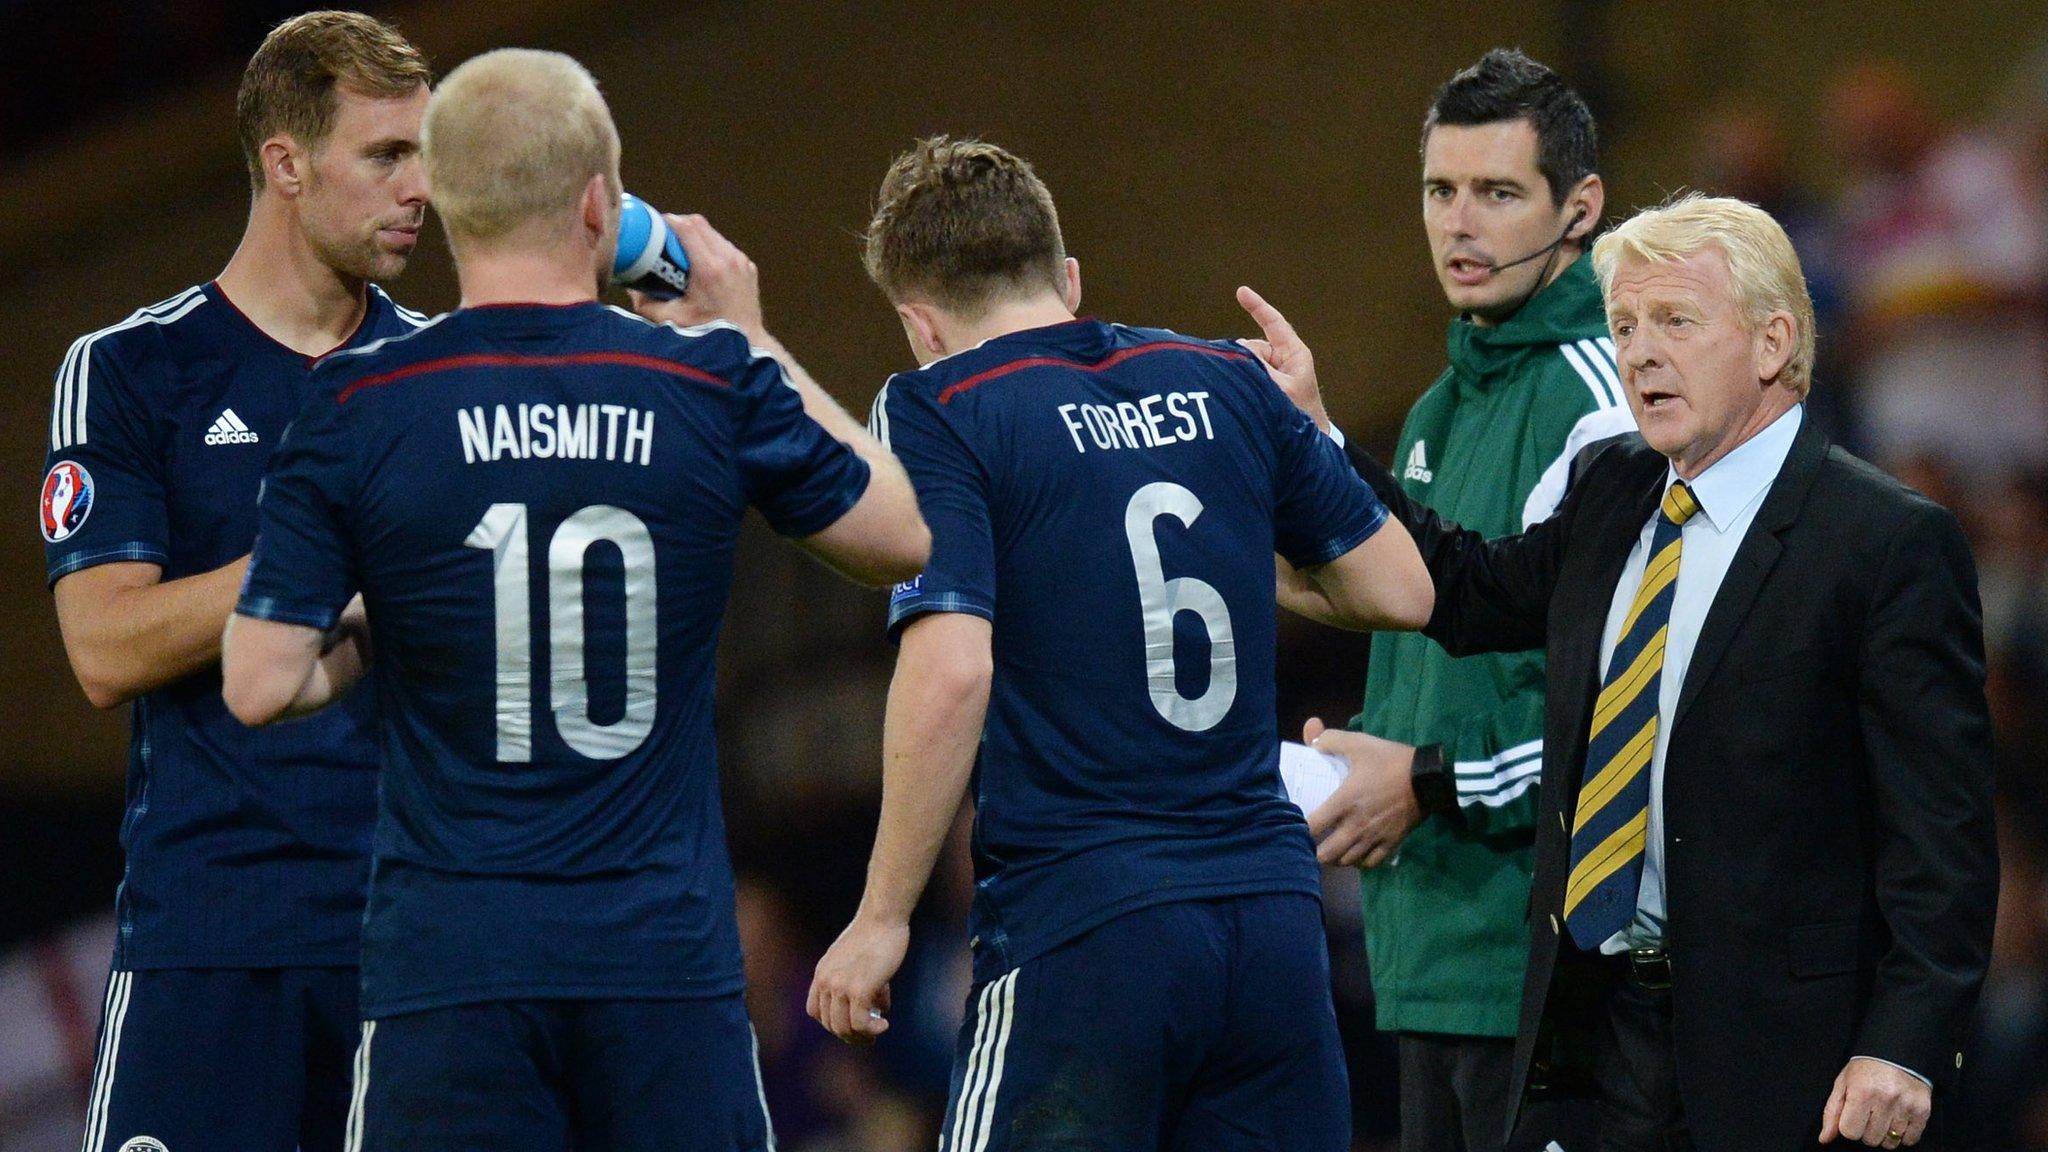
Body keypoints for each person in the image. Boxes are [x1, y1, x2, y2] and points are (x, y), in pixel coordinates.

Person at [219, 48, 927, 1150]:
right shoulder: (707, 379)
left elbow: (258, 683)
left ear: (444, 200)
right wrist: (747, 332)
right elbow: (900, 537)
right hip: (662, 967)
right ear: (601, 204)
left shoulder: (357, 399)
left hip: (451, 968)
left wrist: (373, 626)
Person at [1246, 193, 1997, 1150]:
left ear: (1773, 343)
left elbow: (1945, 835)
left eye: (1675, 322)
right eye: (1626, 325)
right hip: (1589, 1040)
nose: (1639, 353)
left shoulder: (1885, 540)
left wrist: (1907, 1044)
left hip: (1782, 1061)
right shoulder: (1614, 488)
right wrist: (1316, 436)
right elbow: (1465, 585)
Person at [804, 136, 1434, 1151]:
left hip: (1085, 927)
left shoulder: (938, 407)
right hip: (1268, 922)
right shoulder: (1225, 377)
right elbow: (1400, 588)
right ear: (1067, 278)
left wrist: (881, 916)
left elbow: (954, 667)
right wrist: (1253, 552)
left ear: (918, 325)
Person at [39, 13, 431, 1151]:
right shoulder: (129, 368)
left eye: (427, 156)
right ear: (286, 162)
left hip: (408, 942)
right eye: (387, 157)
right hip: (207, 942)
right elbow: (102, 648)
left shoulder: (440, 374)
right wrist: (310, 563)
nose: (421, 190)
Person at [1251, 48, 1626, 1152]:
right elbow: (1417, 613)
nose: (1458, 224)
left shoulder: (1605, 406)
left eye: (1497, 194)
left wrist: (1422, 780)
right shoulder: (1430, 411)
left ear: (1580, 208)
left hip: (1541, 958)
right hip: (1421, 951)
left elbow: (1620, 710)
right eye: (1439, 191)